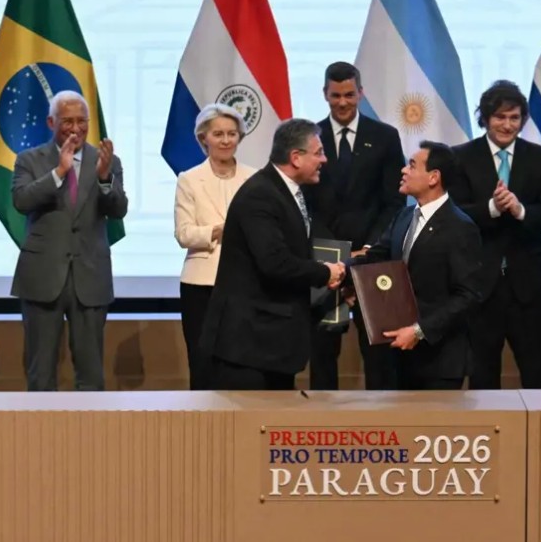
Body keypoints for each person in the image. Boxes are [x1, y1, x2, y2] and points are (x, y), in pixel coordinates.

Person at [197, 118, 345, 390]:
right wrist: (325, 272)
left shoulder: (286, 191)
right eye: (319, 153)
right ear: (296, 157)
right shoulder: (260, 195)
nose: (324, 160)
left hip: (272, 343)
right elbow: (274, 263)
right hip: (249, 347)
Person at [11, 90, 128, 391]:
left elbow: (118, 210)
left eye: (81, 121)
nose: (75, 129)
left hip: (90, 275)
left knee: (91, 374)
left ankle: (91, 424)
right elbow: (21, 201)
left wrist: (105, 179)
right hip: (43, 277)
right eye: (67, 121)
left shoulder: (106, 161)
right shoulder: (29, 159)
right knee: (41, 373)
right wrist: (59, 172)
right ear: (51, 122)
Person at [450, 80, 541, 389]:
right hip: (480, 286)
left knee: (539, 372)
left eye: (514, 117)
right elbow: (454, 215)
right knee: (483, 376)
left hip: (530, 286)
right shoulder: (460, 157)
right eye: (500, 117)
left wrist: (520, 210)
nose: (507, 125)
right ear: (485, 118)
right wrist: (493, 208)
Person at [348, 142, 483, 389]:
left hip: (438, 361)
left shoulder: (460, 227)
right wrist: (339, 270)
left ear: (434, 177)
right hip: (398, 356)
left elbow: (467, 295)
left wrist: (419, 331)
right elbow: (375, 256)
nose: (403, 170)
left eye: (411, 165)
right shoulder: (404, 216)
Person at [304, 61, 405, 390]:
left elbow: (394, 202)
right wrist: (332, 253)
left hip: (373, 261)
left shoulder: (386, 137)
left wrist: (369, 250)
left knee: (379, 352)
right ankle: (322, 416)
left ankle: (382, 416)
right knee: (322, 350)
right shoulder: (310, 138)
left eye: (349, 94)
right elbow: (305, 203)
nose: (343, 102)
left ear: (361, 93)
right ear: (325, 94)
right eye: (336, 95)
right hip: (324, 262)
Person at [173, 104, 254, 389]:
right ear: (203, 138)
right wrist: (221, 230)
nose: (226, 140)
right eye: (218, 134)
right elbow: (184, 234)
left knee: (240, 361)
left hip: (244, 282)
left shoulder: (254, 178)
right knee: (202, 361)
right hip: (201, 284)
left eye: (232, 133)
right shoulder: (189, 179)